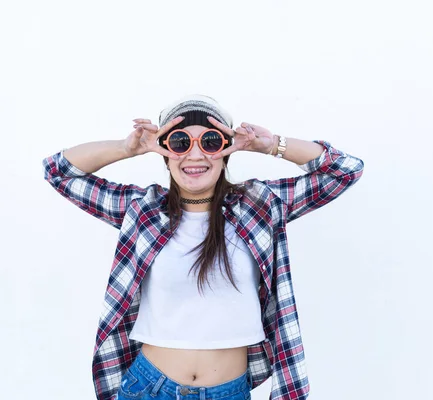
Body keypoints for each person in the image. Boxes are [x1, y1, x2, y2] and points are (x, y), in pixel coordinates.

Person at [43, 94, 364, 400]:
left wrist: (271, 145)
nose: (195, 156)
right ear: (164, 153)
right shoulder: (142, 210)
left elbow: (345, 170)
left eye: (210, 142)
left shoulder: (259, 206)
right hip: (149, 388)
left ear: (226, 150)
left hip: (229, 392)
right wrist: (130, 148)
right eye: (180, 143)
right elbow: (58, 171)